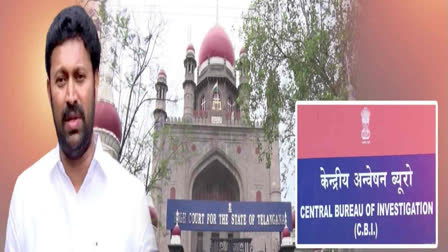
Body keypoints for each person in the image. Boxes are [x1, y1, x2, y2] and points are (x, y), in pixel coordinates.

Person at [5, 6, 157, 252]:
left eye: (80, 76)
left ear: (96, 81)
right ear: (48, 91)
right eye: (61, 80)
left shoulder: (131, 200)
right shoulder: (25, 196)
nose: (71, 96)